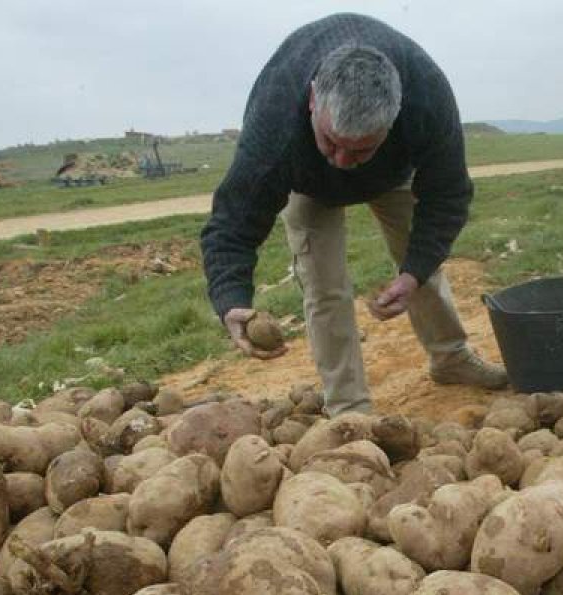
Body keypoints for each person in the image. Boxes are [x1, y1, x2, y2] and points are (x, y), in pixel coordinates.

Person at [201, 13, 508, 416]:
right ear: (313, 100)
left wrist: (413, 272)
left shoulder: (427, 97)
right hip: (306, 182)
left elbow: (448, 196)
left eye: (360, 148)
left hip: (393, 174)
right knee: (324, 288)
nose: (343, 161)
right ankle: (350, 408)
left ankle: (450, 358)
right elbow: (233, 222)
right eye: (332, 142)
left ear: (395, 117)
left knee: (423, 268)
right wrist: (231, 299)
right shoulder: (275, 119)